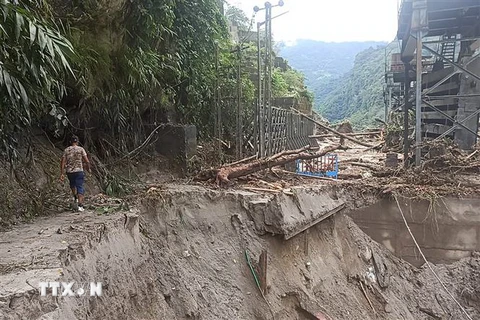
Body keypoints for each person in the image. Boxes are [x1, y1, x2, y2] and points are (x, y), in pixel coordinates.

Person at [60, 135, 90, 212]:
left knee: (72, 185)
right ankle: (80, 205)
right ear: (77, 141)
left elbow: (63, 162)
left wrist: (62, 173)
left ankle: (75, 197)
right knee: (80, 186)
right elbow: (87, 161)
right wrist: (88, 168)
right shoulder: (81, 149)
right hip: (79, 170)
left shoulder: (66, 150)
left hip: (70, 171)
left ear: (70, 141)